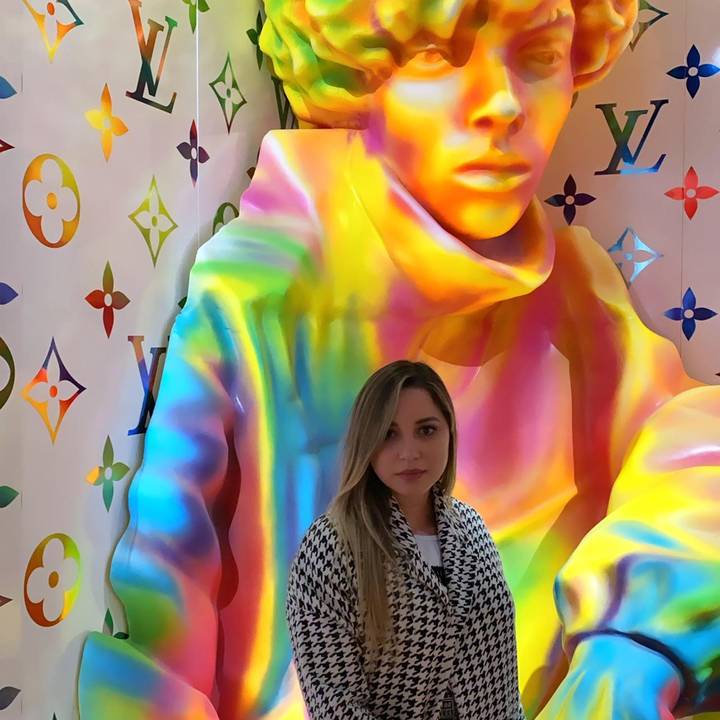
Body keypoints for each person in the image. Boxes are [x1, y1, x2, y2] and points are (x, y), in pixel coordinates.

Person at [79, 0, 720, 718]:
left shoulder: (574, 291)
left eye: (541, 56)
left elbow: (699, 450)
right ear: (357, 71)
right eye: (437, 56)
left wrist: (630, 657)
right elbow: (165, 606)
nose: (504, 105)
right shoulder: (264, 287)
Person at [287, 360, 524, 720]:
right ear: (366, 441)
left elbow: (504, 685)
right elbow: (336, 706)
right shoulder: (330, 548)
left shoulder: (473, 530)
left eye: (426, 430)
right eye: (389, 434)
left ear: (449, 432)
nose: (409, 452)